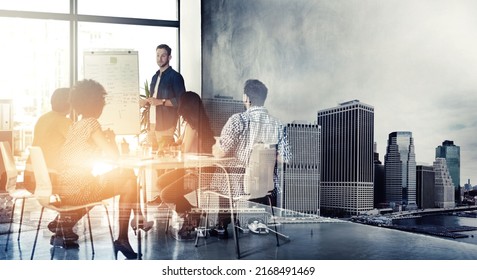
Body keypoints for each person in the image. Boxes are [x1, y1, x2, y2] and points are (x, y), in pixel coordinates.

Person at [53, 79, 152, 259]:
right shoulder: (92, 123)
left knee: (126, 176)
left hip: (64, 187)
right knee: (129, 178)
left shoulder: (76, 125)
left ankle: (65, 222)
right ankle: (126, 233)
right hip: (79, 189)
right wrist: (111, 140)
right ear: (97, 104)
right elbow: (113, 157)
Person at [211, 79, 291, 237]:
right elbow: (285, 158)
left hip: (239, 184)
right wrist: (264, 156)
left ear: (246, 98)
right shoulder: (278, 124)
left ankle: (222, 224)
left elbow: (221, 152)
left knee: (223, 173)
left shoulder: (238, 120)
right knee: (255, 178)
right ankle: (254, 219)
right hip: (266, 185)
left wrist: (215, 146)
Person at [158, 91, 215, 239]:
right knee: (160, 182)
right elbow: (181, 143)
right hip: (190, 170)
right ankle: (192, 213)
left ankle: (190, 215)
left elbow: (184, 150)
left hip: (199, 174)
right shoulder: (190, 124)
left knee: (166, 193)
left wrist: (171, 149)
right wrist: (171, 144)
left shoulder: (195, 127)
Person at [23, 87, 72, 193]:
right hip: (49, 178)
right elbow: (79, 143)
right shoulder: (64, 122)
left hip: (29, 177)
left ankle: (68, 207)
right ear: (70, 103)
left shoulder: (42, 118)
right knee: (84, 182)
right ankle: (73, 207)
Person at [142, 44, 186, 152]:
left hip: (166, 125)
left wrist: (161, 102)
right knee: (152, 160)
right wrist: (146, 101)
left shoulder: (176, 77)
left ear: (169, 57)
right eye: (157, 55)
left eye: (163, 55)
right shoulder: (154, 77)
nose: (160, 58)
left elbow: (181, 101)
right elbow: (154, 100)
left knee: (164, 160)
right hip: (151, 124)